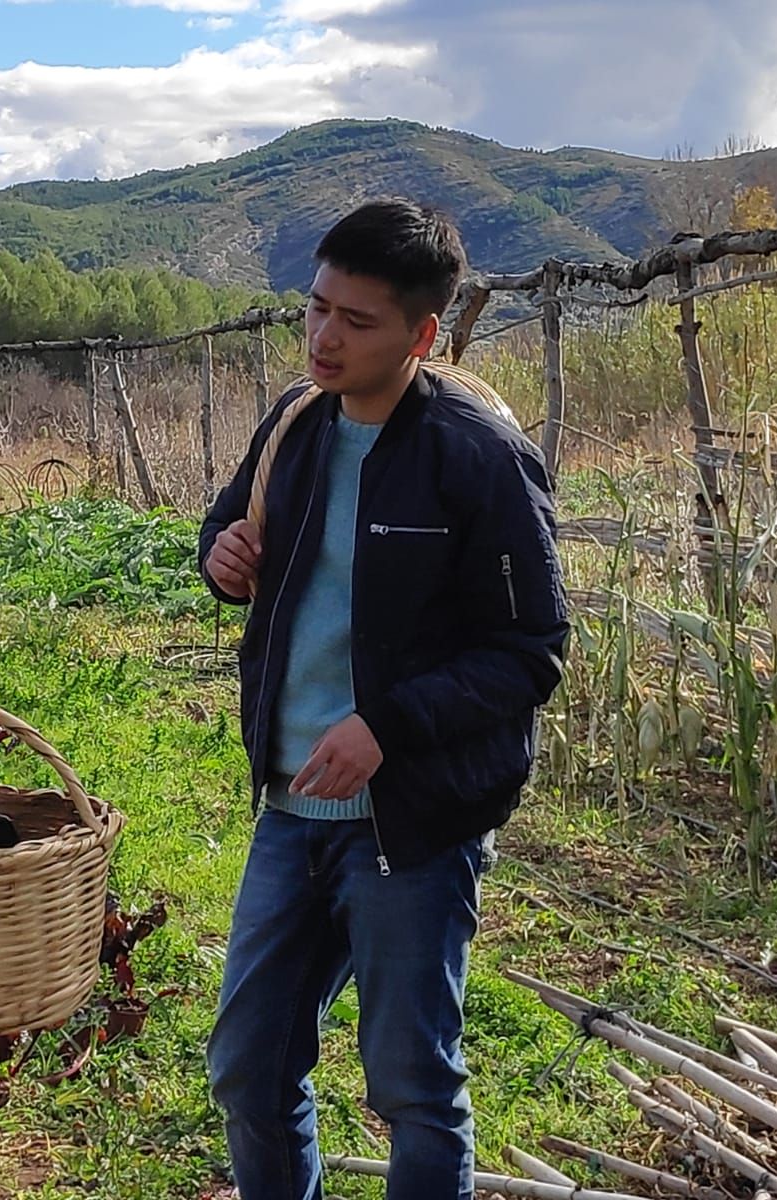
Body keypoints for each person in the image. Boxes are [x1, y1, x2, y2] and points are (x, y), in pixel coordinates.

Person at [199, 199, 570, 1200]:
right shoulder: (295, 426)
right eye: (316, 308)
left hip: (412, 822)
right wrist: (220, 556)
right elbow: (230, 527)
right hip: (291, 804)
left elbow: (531, 650)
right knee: (248, 1068)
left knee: (412, 1088)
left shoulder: (478, 456)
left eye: (356, 321)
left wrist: (386, 728)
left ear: (422, 334)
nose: (324, 337)